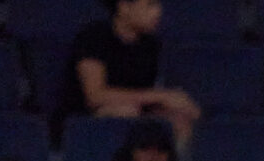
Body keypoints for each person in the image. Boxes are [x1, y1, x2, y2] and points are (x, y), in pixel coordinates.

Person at [62, 0, 201, 139]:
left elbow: (143, 99)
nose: (158, 12)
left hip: (137, 114)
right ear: (124, 7)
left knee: (179, 120)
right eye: (150, 5)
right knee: (124, 112)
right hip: (84, 121)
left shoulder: (150, 45)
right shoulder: (94, 37)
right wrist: (162, 96)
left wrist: (178, 107)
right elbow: (95, 96)